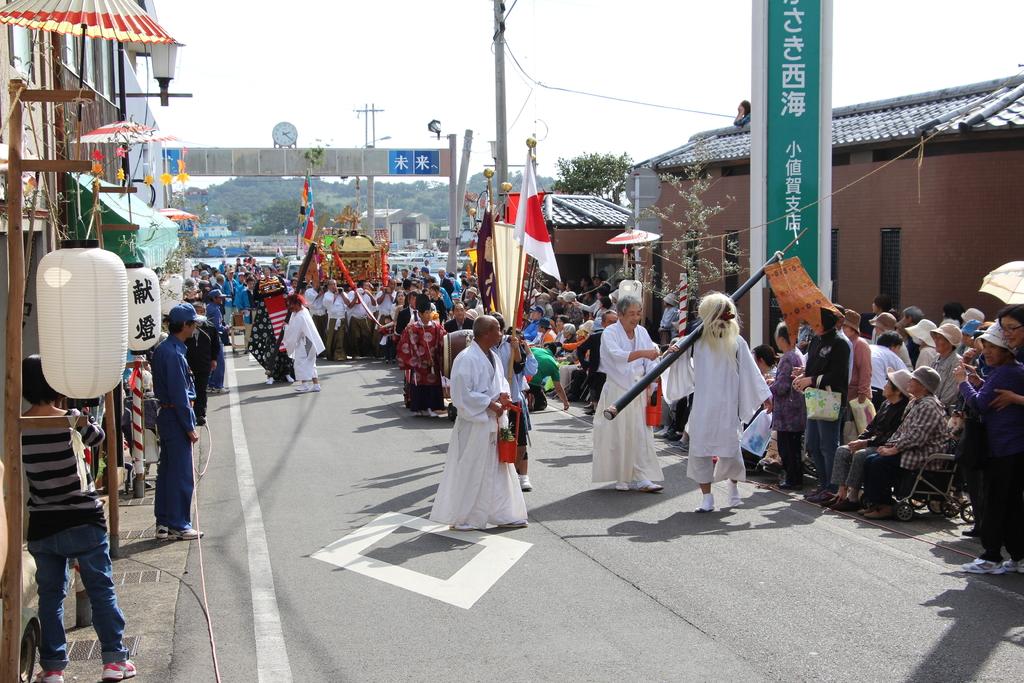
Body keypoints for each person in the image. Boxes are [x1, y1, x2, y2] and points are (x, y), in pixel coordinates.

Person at [21, 356, 137, 682]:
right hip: (83, 519)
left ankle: (54, 668)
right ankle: (114, 660)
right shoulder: (71, 420)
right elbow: (98, 439)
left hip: (43, 522)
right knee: (101, 589)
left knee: (50, 597)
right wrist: (81, 415)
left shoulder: (20, 424)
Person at [664, 292, 771, 511]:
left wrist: (765, 394)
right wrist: (674, 352)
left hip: (728, 406)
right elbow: (680, 361)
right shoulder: (697, 340)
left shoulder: (737, 342)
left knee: (730, 450)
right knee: (700, 451)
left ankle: (733, 489)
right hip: (703, 406)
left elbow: (751, 372)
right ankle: (707, 498)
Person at [429, 315, 527, 531]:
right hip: (476, 424)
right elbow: (462, 394)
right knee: (473, 471)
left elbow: (501, 383)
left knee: (499, 469)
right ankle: (465, 517)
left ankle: (504, 513)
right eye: (498, 330)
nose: (501, 334)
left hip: (494, 421)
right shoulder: (466, 358)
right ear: (486, 333)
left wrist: (504, 397)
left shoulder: (492, 355)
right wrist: (490, 403)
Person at [956, 324, 1024, 574]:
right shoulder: (1010, 370)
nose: (988, 352)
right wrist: (978, 381)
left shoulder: (1006, 372)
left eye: (994, 347)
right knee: (1012, 504)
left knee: (995, 503)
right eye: (987, 347)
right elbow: (989, 396)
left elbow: (979, 405)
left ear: (1007, 350)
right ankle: (1017, 556)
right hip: (1012, 447)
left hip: (1003, 448)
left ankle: (991, 556)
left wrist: (963, 382)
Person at [591, 294, 664, 493]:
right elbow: (615, 356)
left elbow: (652, 359)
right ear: (621, 314)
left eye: (638, 313)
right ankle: (620, 476)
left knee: (640, 433)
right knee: (618, 434)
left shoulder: (642, 332)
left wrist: (651, 380)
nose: (635, 317)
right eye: (631, 313)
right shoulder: (610, 333)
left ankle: (642, 477)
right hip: (617, 388)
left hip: (639, 388)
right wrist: (643, 353)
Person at [860, 367, 948, 520]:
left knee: (879, 463)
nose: (909, 381)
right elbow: (902, 431)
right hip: (909, 449)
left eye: (914, 380)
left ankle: (885, 505)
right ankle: (874, 502)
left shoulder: (929, 405)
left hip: (922, 454)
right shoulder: (916, 402)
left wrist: (894, 449)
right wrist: (889, 445)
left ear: (923, 385)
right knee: (870, 460)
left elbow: (917, 437)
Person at [152, 304, 204, 540]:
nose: (195, 328)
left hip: (168, 415)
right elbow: (180, 395)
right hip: (175, 416)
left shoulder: (166, 349)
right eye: (193, 324)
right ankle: (179, 523)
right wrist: (190, 427)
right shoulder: (174, 354)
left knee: (167, 471)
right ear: (184, 326)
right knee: (181, 474)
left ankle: (163, 521)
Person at [827, 368, 911, 512]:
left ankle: (853, 496)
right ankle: (841, 492)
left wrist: (865, 443)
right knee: (843, 450)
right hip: (872, 441)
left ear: (897, 391)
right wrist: (859, 440)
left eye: (888, 384)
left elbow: (891, 435)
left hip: (884, 445)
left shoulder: (903, 410)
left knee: (861, 455)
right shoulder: (886, 404)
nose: (884, 386)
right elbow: (870, 427)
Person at [793, 308, 850, 505]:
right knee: (814, 444)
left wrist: (811, 379)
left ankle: (832, 487)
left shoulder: (840, 343)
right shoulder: (816, 341)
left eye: (816, 322)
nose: (812, 325)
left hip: (831, 399)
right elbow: (812, 367)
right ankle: (823, 483)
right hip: (815, 397)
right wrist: (803, 376)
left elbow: (838, 375)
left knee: (828, 444)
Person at [494, 327, 539, 492]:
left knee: (520, 442)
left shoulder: (515, 348)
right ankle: (503, 475)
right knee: (501, 440)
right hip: (498, 402)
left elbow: (529, 370)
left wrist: (524, 350)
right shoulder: (493, 348)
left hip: (516, 400)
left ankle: (523, 475)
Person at [397, 296, 447, 417]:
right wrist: (416, 358)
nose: (429, 315)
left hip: (433, 363)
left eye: (430, 312)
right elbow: (406, 344)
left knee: (433, 385)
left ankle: (432, 407)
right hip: (418, 363)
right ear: (419, 314)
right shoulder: (412, 328)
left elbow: (444, 341)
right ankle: (420, 408)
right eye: (426, 313)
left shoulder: (437, 327)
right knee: (420, 385)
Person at [770, 322, 807, 490]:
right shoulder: (797, 353)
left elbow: (782, 387)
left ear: (781, 338)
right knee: (793, 447)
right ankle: (794, 478)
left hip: (787, 412)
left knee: (788, 448)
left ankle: (792, 480)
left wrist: (769, 385)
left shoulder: (787, 357)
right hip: (797, 409)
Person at [183, 301, 220, 427]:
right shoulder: (186, 325)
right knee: (187, 388)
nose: (199, 313)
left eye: (201, 311)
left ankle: (200, 414)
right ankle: (189, 413)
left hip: (204, 363)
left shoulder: (210, 326)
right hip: (188, 363)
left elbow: (215, 345)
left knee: (201, 389)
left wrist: (214, 359)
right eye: (197, 311)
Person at [282, 293, 325, 393]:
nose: (290, 308)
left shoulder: (299, 316)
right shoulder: (303, 311)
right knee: (310, 363)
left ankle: (305, 385)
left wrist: (286, 327)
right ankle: (316, 384)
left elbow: (294, 332)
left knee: (300, 363)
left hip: (305, 343)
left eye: (291, 305)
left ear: (297, 303)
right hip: (310, 341)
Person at [526, 345, 570, 413]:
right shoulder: (554, 364)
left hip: (523, 381)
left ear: (546, 348)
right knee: (542, 405)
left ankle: (526, 397)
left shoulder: (535, 349)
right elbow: (558, 388)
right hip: (535, 384)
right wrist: (565, 402)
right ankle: (531, 399)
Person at [869, 331, 907, 409]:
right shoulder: (891, 354)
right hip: (877, 391)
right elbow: (905, 375)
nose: (898, 351)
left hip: (857, 387)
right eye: (898, 348)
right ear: (893, 346)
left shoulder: (869, 347)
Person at [929, 322, 963, 409]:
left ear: (950, 342)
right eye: (935, 337)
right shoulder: (936, 358)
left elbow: (949, 395)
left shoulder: (957, 362)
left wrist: (933, 406)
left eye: (940, 338)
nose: (935, 341)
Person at [205, 289, 228, 393]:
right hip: (215, 338)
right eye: (219, 297)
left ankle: (211, 384)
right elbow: (217, 327)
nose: (222, 299)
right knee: (219, 362)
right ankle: (218, 386)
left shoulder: (209, 307)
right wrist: (226, 327)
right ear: (214, 298)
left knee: (213, 362)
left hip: (208, 338)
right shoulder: (214, 309)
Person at [346, 280, 376, 358]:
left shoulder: (367, 295)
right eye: (366, 286)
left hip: (364, 318)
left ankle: (365, 353)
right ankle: (355, 353)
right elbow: (349, 306)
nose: (368, 287)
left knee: (366, 335)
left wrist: (370, 294)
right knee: (355, 336)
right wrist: (356, 296)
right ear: (361, 286)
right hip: (354, 317)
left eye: (368, 286)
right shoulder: (352, 293)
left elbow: (374, 304)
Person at [323, 280, 348, 362]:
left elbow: (348, 303)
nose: (334, 286)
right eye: (332, 284)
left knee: (340, 337)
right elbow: (328, 304)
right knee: (331, 337)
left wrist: (342, 294)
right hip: (333, 319)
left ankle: (339, 355)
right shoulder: (327, 294)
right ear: (328, 286)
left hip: (341, 318)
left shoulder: (341, 294)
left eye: (335, 284)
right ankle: (330, 354)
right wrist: (336, 295)